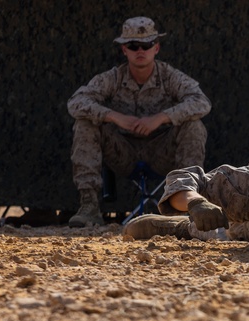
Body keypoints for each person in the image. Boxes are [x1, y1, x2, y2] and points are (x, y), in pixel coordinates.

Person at [67, 16, 211, 228]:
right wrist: (114, 117)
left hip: (161, 152)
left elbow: (201, 102)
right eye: (133, 46)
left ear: (157, 48)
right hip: (123, 153)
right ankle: (89, 207)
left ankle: (185, 204)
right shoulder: (113, 78)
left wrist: (161, 118)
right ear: (124, 50)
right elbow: (76, 102)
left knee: (194, 126)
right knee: (84, 124)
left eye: (147, 45)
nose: (140, 50)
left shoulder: (169, 76)